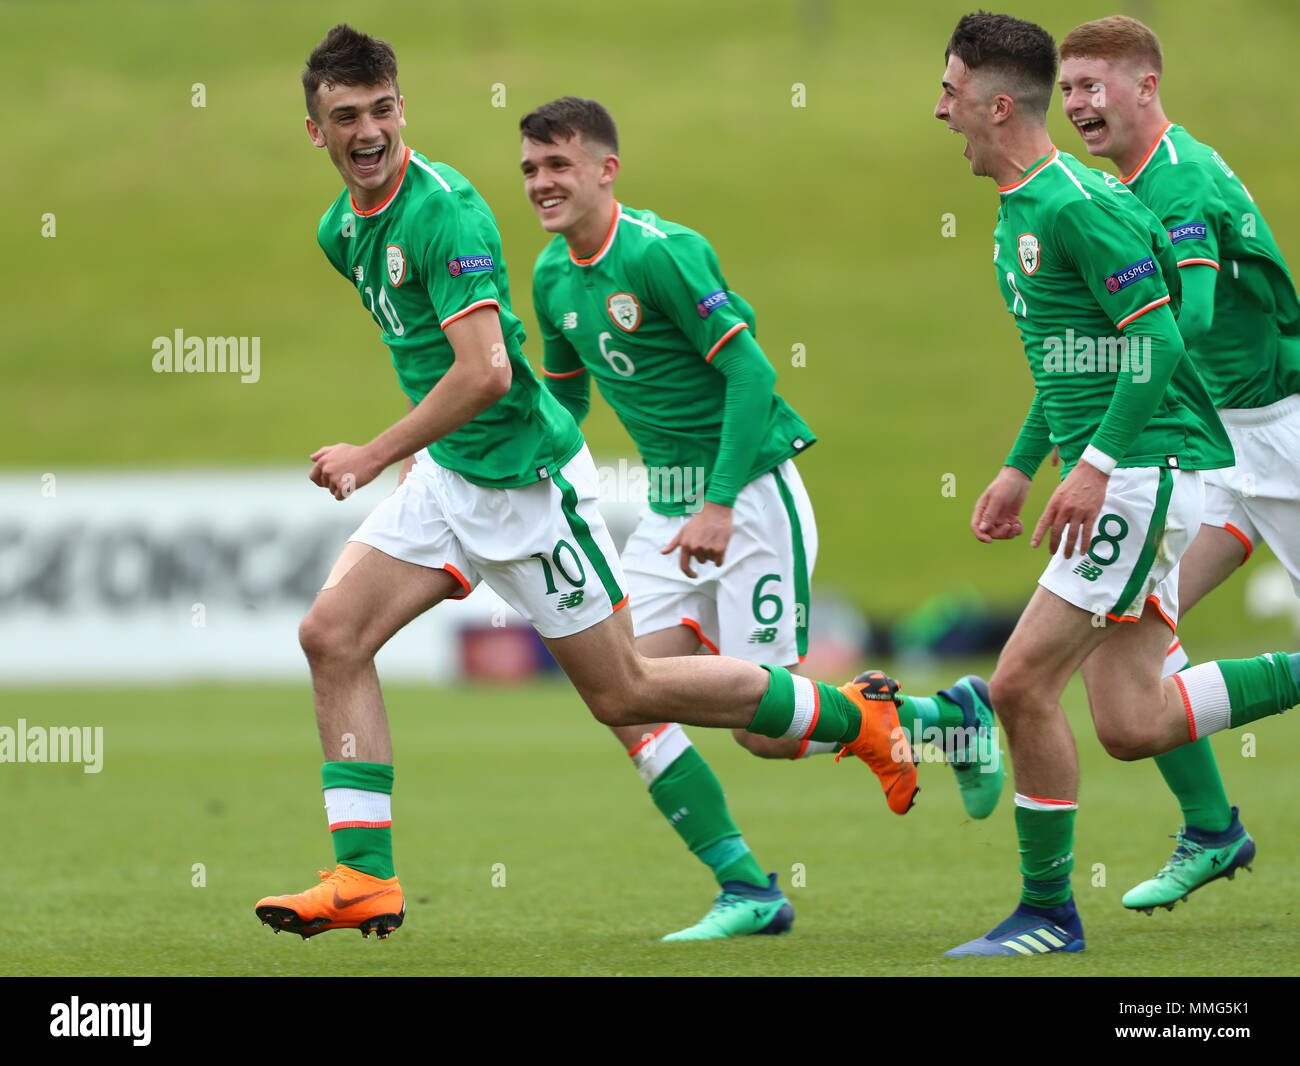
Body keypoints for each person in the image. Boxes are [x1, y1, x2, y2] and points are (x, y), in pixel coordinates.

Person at [254, 23, 916, 942]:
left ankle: (860, 720)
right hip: (452, 479)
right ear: (315, 131)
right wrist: (421, 446)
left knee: (628, 693)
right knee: (331, 635)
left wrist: (374, 450)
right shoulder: (342, 231)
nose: (367, 131)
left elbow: (487, 372)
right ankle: (364, 876)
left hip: (528, 489)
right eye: (344, 117)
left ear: (403, 110)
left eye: (380, 110)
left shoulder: (448, 210)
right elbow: (436, 360)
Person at [519, 97, 1004, 938]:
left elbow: (750, 374)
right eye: (529, 168)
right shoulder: (551, 276)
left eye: (559, 165)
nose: (541, 183)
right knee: (620, 694)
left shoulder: (663, 253)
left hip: (748, 501)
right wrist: (530, 473)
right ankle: (747, 888)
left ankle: (945, 721)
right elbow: (564, 396)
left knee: (768, 735)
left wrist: (717, 501)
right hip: (667, 513)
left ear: (606, 168)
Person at [932, 10, 1300, 956]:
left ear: (995, 103)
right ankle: (1209, 827)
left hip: (1152, 470)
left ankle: (1048, 913)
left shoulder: (1077, 206)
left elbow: (1163, 335)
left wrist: (1093, 466)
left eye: (948, 91)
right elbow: (1070, 363)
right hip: (1151, 461)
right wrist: (1022, 466)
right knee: (1132, 722)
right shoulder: (1028, 208)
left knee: (1019, 687)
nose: (940, 111)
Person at [1058, 15, 1300, 916]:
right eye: (1069, 87)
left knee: (1121, 624)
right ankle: (1211, 828)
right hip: (1222, 444)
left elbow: (1187, 319)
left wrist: (1114, 414)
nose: (1079, 104)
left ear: (1146, 86)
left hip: (1280, 432)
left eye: (1095, 85)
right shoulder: (1132, 180)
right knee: (1122, 631)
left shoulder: (1178, 179)